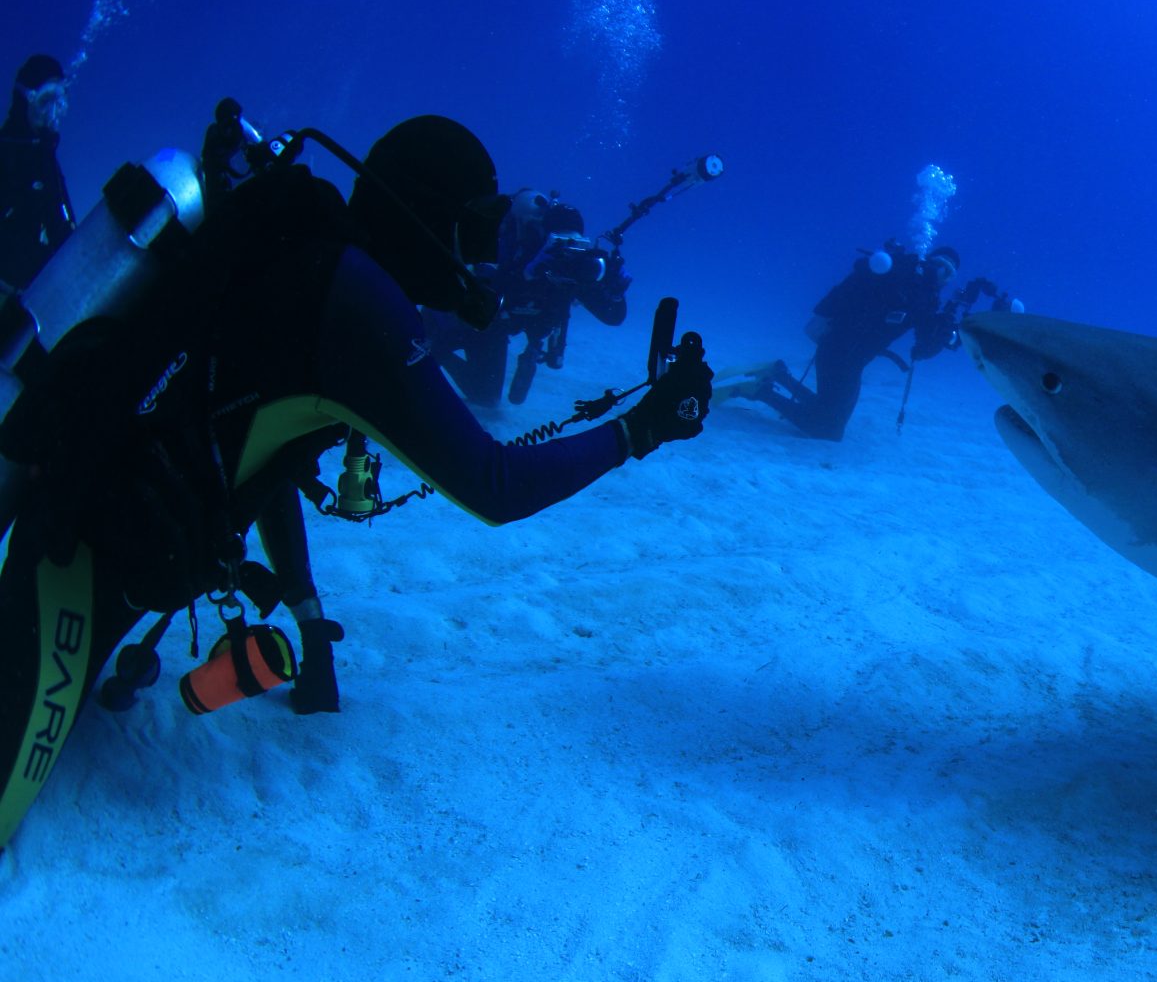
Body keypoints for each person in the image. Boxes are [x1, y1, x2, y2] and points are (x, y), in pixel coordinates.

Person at [0, 114, 715, 854]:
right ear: (429, 214)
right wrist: (642, 429)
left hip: (93, 518)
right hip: (77, 556)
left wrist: (309, 616)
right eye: (476, 230)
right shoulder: (358, 305)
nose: (477, 257)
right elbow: (495, 485)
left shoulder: (318, 260)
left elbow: (263, 451)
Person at [721, 242, 962, 441]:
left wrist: (942, 333)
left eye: (948, 272)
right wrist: (822, 316)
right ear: (926, 261)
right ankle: (758, 391)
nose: (940, 274)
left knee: (826, 412)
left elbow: (920, 351)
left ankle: (778, 374)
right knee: (828, 429)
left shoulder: (928, 301)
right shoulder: (897, 275)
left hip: (854, 360)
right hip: (837, 350)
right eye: (939, 265)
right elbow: (851, 285)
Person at [428, 188, 629, 408]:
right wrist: (529, 270)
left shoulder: (575, 268)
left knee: (485, 397)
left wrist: (615, 293)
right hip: (474, 320)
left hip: (497, 329)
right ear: (542, 236)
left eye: (575, 243)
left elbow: (613, 317)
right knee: (423, 355)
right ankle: (429, 343)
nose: (567, 251)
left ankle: (435, 351)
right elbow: (483, 291)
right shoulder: (512, 249)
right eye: (560, 241)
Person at [0, 54, 75, 294]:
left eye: (60, 100)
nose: (54, 113)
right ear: (26, 100)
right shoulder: (6, 153)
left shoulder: (45, 156)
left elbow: (61, 231)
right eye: (46, 101)